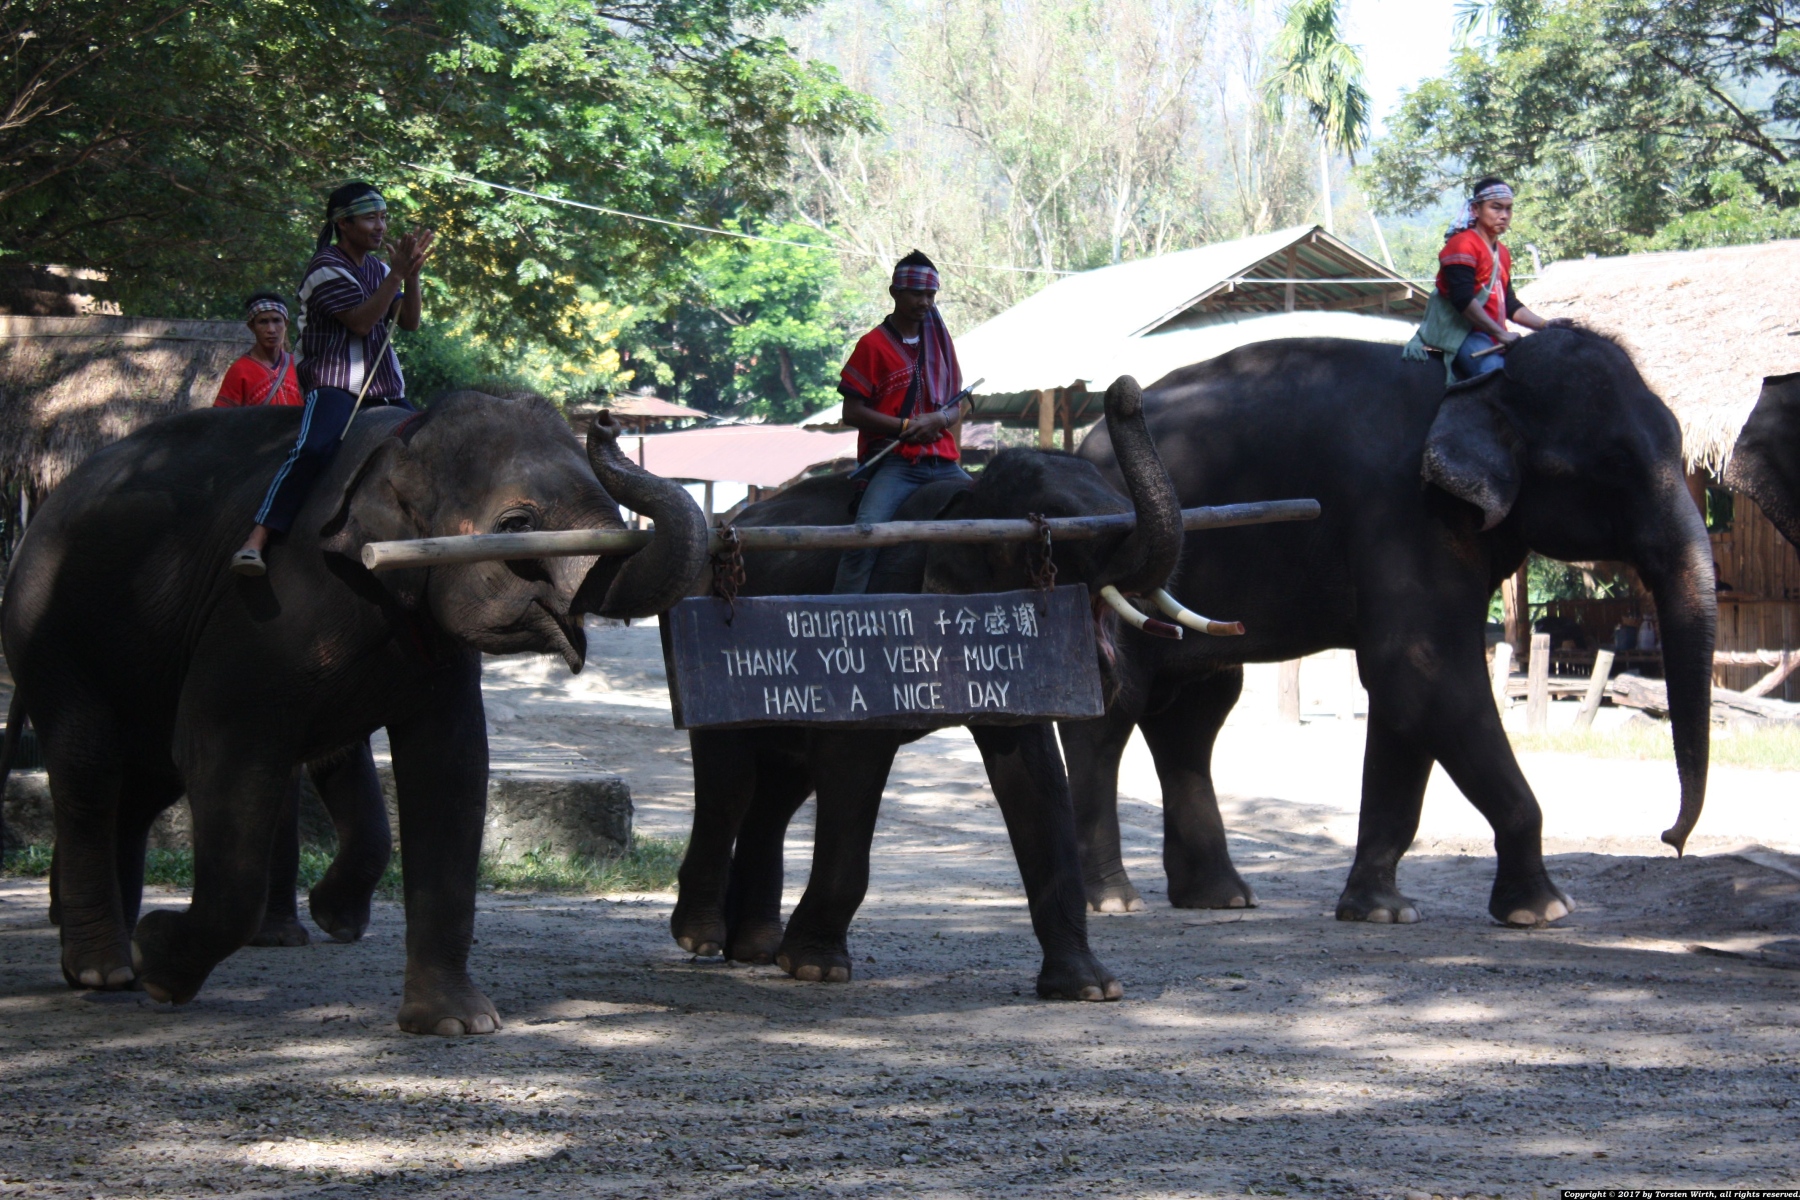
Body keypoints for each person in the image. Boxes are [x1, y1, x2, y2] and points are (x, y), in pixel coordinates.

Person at [230, 182, 433, 576]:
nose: (381, 226)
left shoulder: (378, 269)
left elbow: (409, 322)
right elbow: (360, 322)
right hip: (336, 386)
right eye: (371, 218)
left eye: (384, 217)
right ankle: (257, 538)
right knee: (313, 449)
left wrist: (411, 277)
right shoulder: (325, 268)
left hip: (386, 390)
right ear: (343, 223)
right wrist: (396, 274)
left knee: (427, 446)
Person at [832, 250, 970, 594]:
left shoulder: (940, 342)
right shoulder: (872, 345)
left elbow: (958, 405)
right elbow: (852, 412)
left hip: (945, 462)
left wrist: (940, 417)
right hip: (898, 464)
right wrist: (905, 428)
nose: (925, 302)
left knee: (992, 519)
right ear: (895, 292)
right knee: (865, 538)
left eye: (931, 295)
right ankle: (840, 612)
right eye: (917, 294)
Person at [1403, 176, 1562, 382]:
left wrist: (1545, 325)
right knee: (1493, 371)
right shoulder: (1462, 245)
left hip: (1491, 335)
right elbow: (1462, 299)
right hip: (1462, 334)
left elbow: (1510, 304)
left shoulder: (1502, 253)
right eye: (1496, 208)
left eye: (1508, 209)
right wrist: (1501, 334)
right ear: (1475, 210)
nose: (1504, 215)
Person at [213, 293, 303, 409]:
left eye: (276, 321)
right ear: (252, 327)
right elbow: (222, 415)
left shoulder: (298, 365)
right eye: (263, 322)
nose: (271, 329)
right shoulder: (240, 371)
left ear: (286, 324)